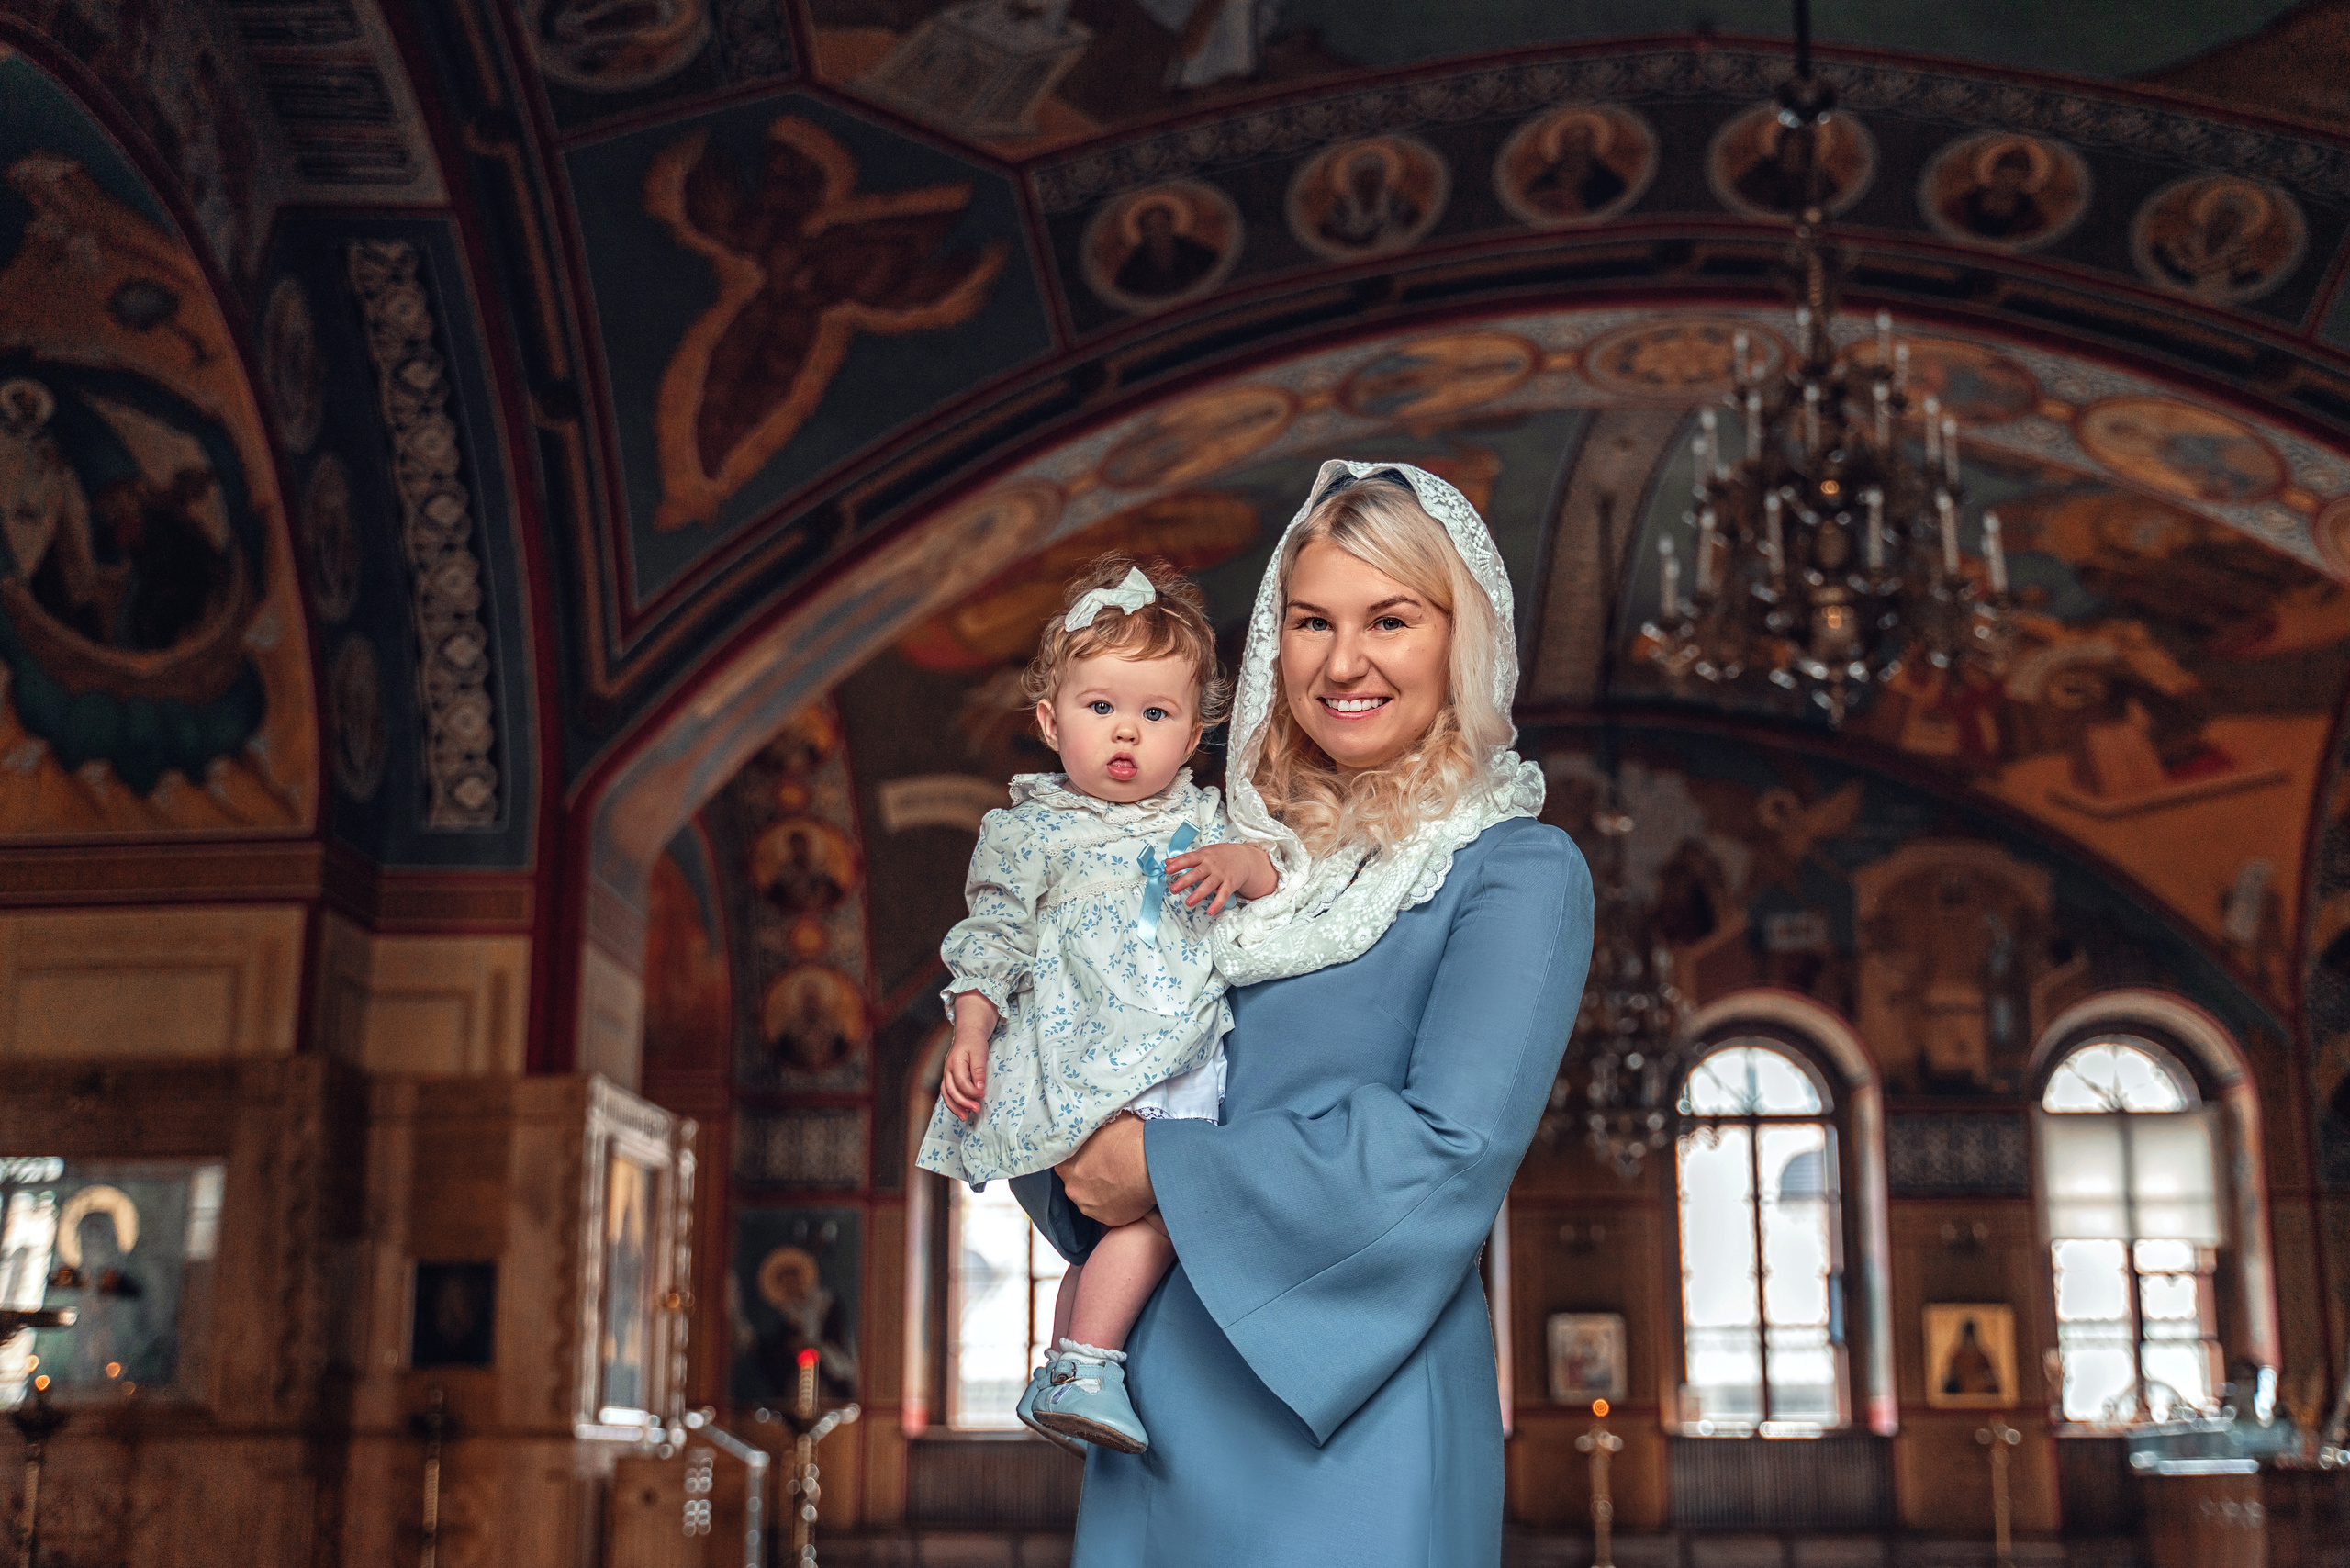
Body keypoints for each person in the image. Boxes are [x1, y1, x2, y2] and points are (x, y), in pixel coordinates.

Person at [1032, 462, 1595, 1564]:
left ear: (1461, 638)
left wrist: (1161, 1168)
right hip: (1148, 1395)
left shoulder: (1516, 871)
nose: (1343, 662)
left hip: (1353, 1405)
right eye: (1309, 621)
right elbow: (1094, 1094)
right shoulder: (1206, 857)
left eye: (1390, 618)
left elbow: (1447, 1147)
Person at [914, 555, 1279, 1455]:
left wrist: (1238, 866)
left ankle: (1057, 1369)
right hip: (1083, 1065)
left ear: (1194, 731)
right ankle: (1088, 1360)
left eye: (1155, 714)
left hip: (1172, 1052)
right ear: (1049, 720)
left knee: (1117, 1232)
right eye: (1100, 707)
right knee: (1152, 1218)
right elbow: (989, 935)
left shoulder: (1207, 822)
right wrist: (971, 1024)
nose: (1127, 734)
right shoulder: (1032, 829)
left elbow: (1278, 876)